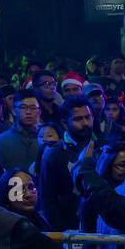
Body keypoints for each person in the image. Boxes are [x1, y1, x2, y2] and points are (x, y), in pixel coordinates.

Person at [37, 94, 96, 230]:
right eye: (78, 119)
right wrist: (61, 232)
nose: (85, 123)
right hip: (68, 231)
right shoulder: (54, 154)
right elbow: (47, 199)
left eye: (88, 117)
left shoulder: (101, 149)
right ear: (64, 123)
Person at [0, 91, 43, 174]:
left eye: (33, 108)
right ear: (14, 111)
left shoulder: (47, 140)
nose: (28, 112)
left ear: (39, 111)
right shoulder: (0, 141)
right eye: (23, 107)